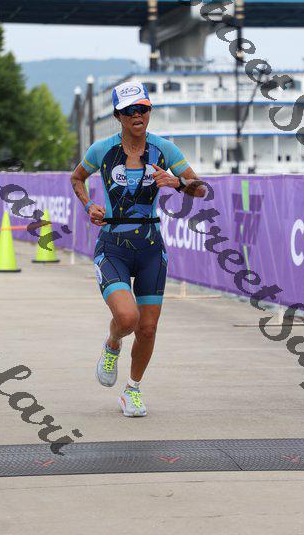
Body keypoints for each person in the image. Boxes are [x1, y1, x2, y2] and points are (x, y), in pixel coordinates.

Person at [70, 80, 206, 417]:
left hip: (150, 248)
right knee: (128, 318)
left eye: (142, 109)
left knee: (147, 328)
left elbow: (201, 188)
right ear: (118, 115)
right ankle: (112, 343)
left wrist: (177, 182)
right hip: (113, 246)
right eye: (130, 110)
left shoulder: (164, 149)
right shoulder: (102, 150)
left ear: (149, 112)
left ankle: (132, 390)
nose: (137, 116)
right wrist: (89, 206)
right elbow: (77, 178)